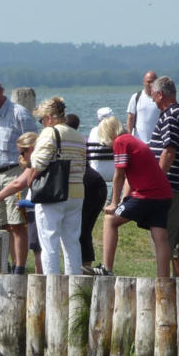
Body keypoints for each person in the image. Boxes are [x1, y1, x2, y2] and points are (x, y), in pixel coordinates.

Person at [96, 116, 172, 277]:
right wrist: (124, 199)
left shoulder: (120, 142)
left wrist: (114, 203)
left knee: (110, 221)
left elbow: (119, 175)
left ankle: (106, 268)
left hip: (146, 195)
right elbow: (131, 175)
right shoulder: (133, 140)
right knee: (160, 236)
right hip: (164, 195)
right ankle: (164, 279)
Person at [0, 79, 37, 274]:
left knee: (17, 223)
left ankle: (19, 266)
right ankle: (6, 264)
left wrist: (28, 169)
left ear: (0, 93)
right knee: (0, 224)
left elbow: (32, 143)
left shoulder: (18, 113)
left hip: (15, 171)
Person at [25, 97, 87, 275]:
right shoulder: (78, 136)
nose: (42, 123)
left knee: (49, 242)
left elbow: (39, 162)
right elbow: (82, 166)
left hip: (53, 193)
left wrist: (30, 179)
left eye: (42, 120)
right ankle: (75, 286)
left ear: (50, 117)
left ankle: (53, 287)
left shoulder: (50, 132)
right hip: (76, 193)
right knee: (72, 242)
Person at [149, 76, 179, 277]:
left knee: (164, 236)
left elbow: (168, 150)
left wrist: (156, 180)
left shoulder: (170, 116)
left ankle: (164, 283)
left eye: (153, 96)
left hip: (169, 185)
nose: (153, 101)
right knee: (176, 239)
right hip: (178, 184)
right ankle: (178, 280)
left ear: (160, 94)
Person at [0, 132, 42, 272]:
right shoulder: (35, 162)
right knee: (5, 226)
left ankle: (21, 268)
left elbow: (17, 183)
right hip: (36, 204)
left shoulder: (37, 162)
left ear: (31, 149)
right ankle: (13, 265)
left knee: (34, 242)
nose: (21, 156)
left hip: (41, 207)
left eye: (22, 152)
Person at [67, 113, 107, 275]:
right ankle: (84, 265)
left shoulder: (68, 140)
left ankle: (83, 267)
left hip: (88, 184)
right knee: (85, 229)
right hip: (96, 182)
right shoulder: (80, 138)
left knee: (82, 228)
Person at [126, 71, 161, 144]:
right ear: (144, 82)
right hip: (138, 141)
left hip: (157, 142)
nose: (151, 84)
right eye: (149, 82)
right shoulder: (136, 97)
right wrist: (129, 136)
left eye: (154, 82)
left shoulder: (161, 98)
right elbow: (130, 118)